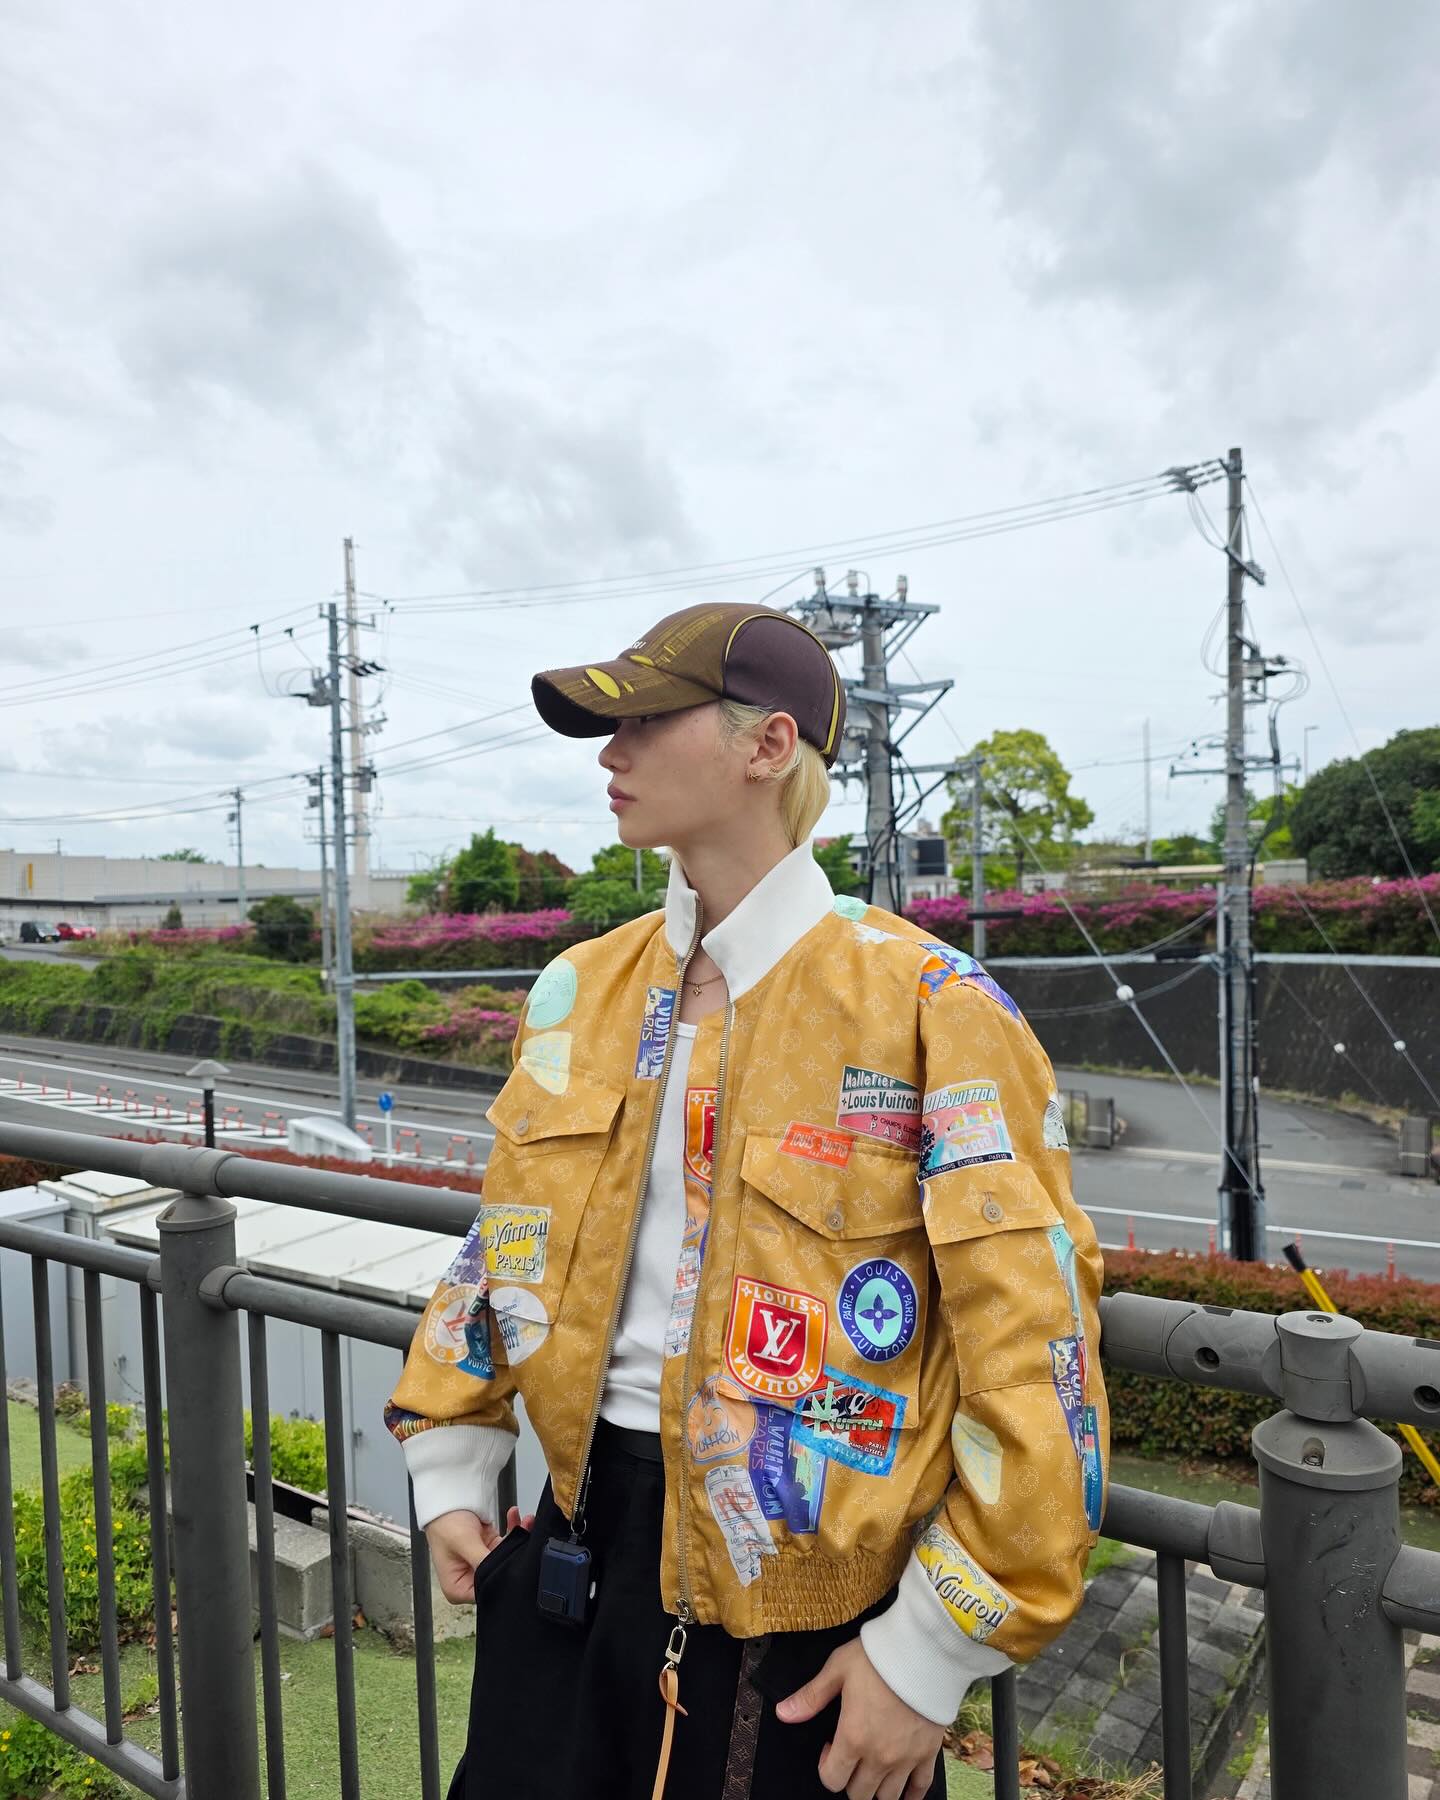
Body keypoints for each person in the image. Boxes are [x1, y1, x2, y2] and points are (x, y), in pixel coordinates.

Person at [386, 601, 1109, 1800]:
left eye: (643, 721)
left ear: (768, 746)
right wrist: (452, 1464)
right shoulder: (580, 990)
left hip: (806, 1623)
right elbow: (504, 1241)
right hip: (567, 1563)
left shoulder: (932, 1005)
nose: (610, 752)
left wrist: (928, 1654)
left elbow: (1037, 1344)